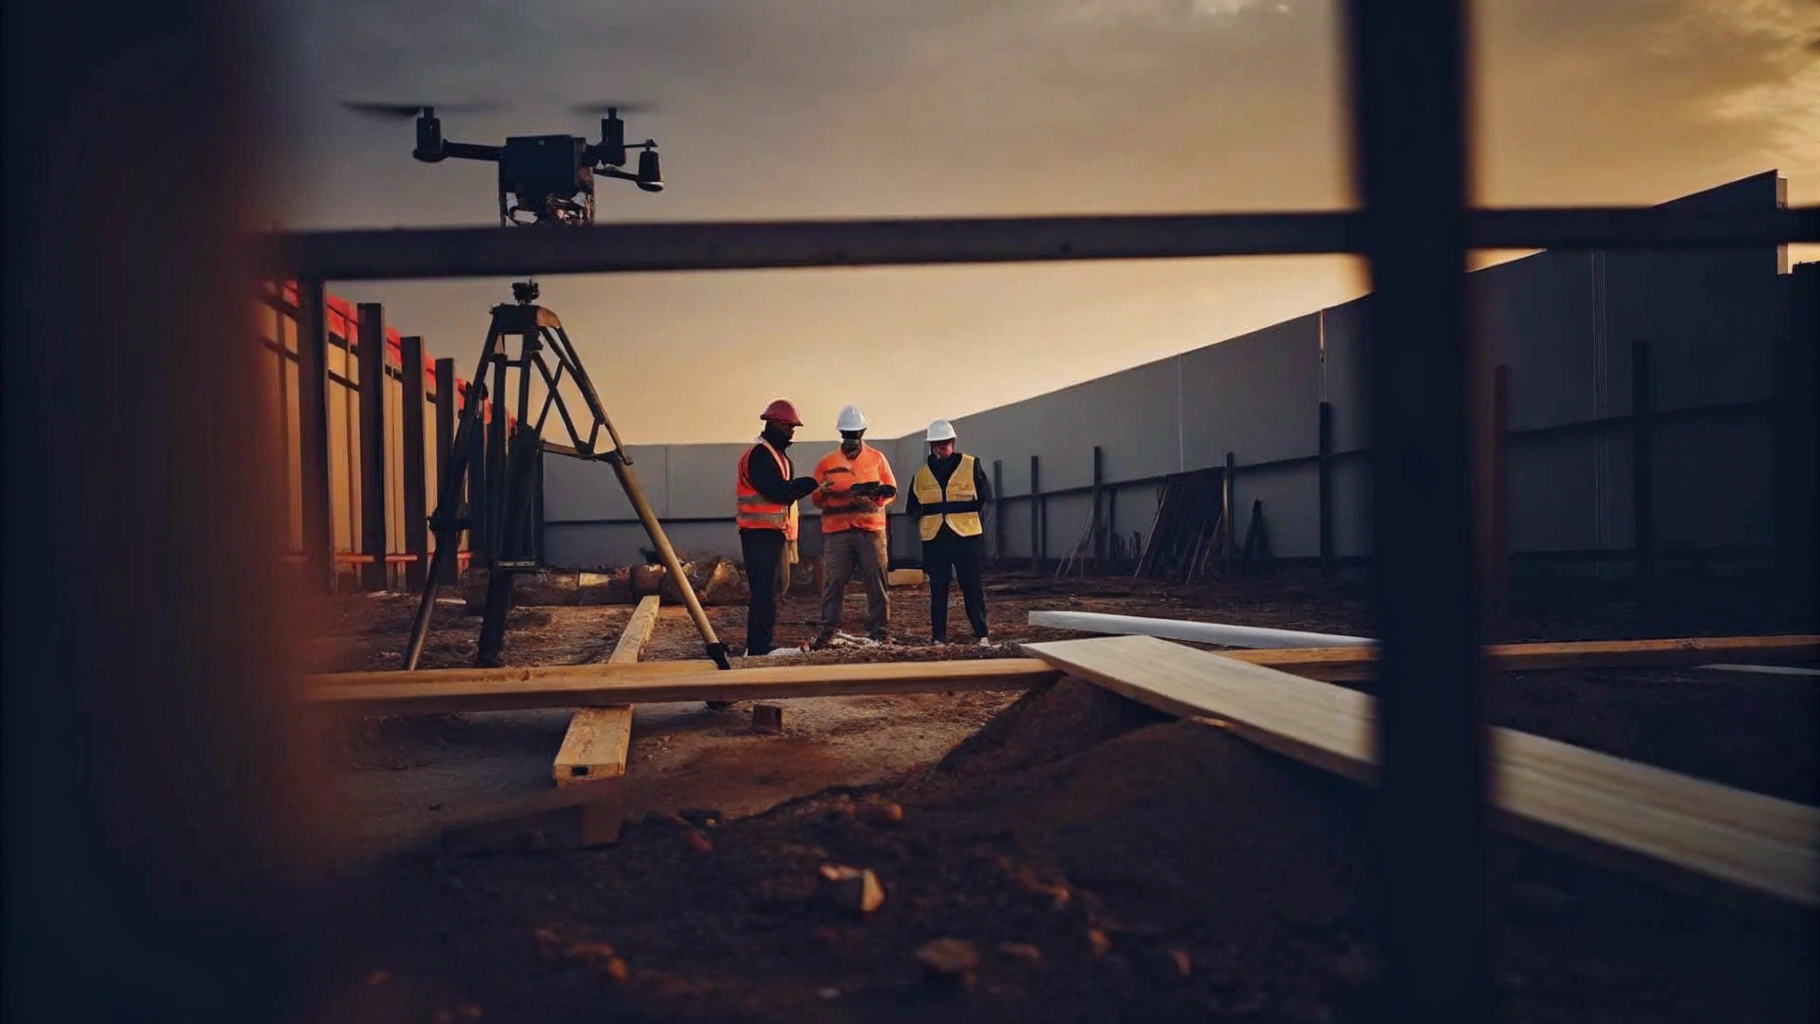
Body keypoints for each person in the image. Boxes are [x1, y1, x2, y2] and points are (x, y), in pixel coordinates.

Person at [735, 399, 819, 657]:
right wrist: (806, 484)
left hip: (773, 533)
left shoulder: (778, 456)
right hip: (758, 533)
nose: (792, 433)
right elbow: (776, 492)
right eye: (789, 428)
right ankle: (758, 647)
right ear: (774, 425)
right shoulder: (759, 455)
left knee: (772, 590)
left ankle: (762, 643)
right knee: (763, 592)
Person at [810, 403, 897, 646]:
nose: (851, 439)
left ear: (862, 433)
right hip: (838, 532)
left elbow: (891, 491)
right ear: (841, 434)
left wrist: (880, 494)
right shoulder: (827, 463)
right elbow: (816, 498)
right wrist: (822, 492)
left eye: (855, 435)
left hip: (870, 531)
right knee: (833, 582)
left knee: (876, 580)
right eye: (847, 435)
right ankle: (828, 630)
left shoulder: (877, 459)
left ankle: (880, 630)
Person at [907, 418, 994, 645]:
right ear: (930, 445)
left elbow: (985, 497)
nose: (941, 447)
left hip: (967, 537)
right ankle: (938, 638)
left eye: (945, 442)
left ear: (953, 442)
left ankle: (981, 633)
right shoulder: (921, 474)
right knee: (938, 590)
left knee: (972, 587)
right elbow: (912, 507)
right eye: (936, 443)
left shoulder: (971, 465)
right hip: (936, 539)